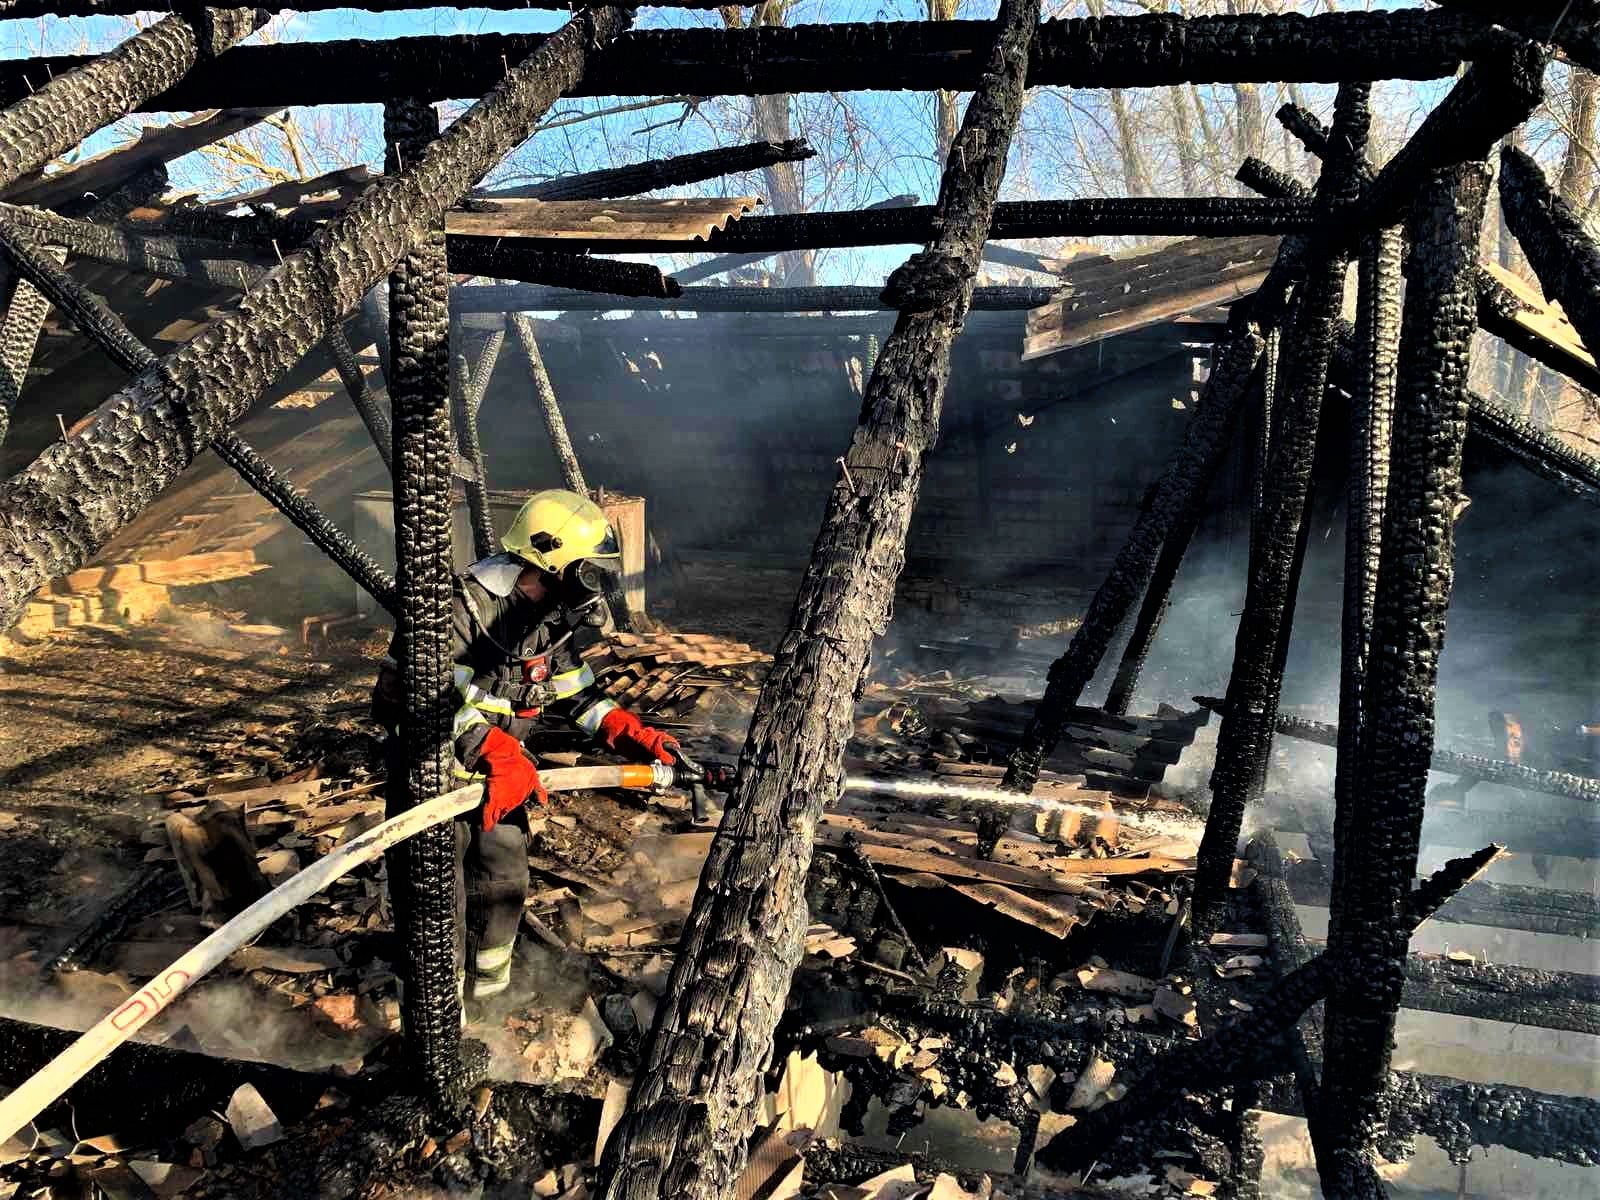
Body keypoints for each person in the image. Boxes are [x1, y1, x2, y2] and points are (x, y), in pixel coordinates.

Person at [373, 489, 678, 1006]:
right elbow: (404, 698)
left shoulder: (549, 623)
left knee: (503, 890)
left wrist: (626, 731)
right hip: (432, 785)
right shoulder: (455, 611)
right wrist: (491, 748)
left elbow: (569, 691)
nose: (592, 586)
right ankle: (429, 1024)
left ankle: (487, 1008)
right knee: (433, 910)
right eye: (589, 572)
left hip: (501, 786)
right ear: (554, 563)